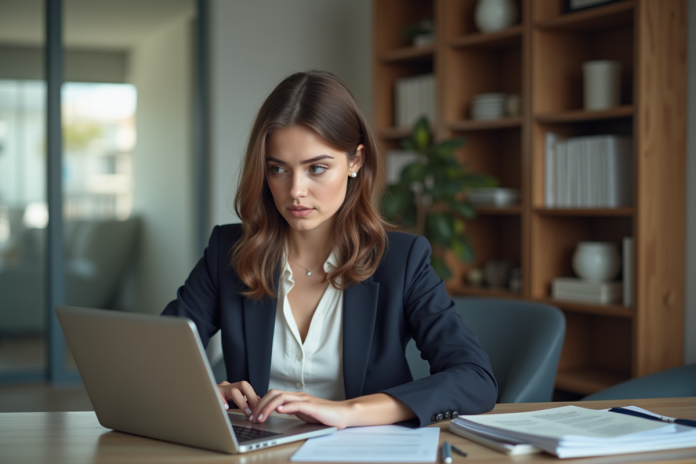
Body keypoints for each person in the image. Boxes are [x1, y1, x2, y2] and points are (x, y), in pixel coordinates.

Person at [162, 70, 497, 429]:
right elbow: (155, 354)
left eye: (316, 168)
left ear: (355, 161)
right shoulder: (227, 252)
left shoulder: (403, 260)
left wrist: (348, 411)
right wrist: (206, 390)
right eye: (278, 169)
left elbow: (475, 379)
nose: (295, 191)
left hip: (366, 451)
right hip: (260, 453)